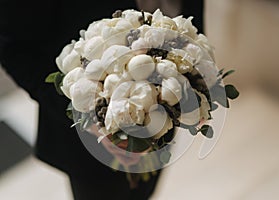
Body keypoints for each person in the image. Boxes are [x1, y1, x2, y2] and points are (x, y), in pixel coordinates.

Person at [0, 0, 204, 199]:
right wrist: (88, 115)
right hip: (87, 140)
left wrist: (193, 79)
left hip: (162, 113)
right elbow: (14, 49)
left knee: (144, 191)